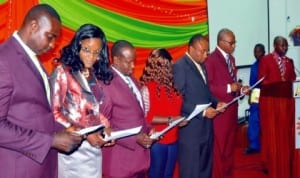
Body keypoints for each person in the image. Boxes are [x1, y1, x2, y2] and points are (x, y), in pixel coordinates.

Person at [0, 4, 82, 178]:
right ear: (34, 26)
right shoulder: (4, 60)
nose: (53, 45)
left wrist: (66, 128)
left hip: (39, 166)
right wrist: (51, 140)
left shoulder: (30, 57)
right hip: (19, 168)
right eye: (50, 37)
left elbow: (36, 112)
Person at [50, 24, 114, 178]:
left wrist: (107, 129)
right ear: (77, 46)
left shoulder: (93, 75)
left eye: (96, 52)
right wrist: (85, 134)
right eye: (86, 50)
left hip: (94, 151)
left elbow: (94, 110)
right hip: (73, 148)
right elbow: (54, 112)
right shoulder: (62, 72)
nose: (91, 57)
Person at [173, 33, 225, 178]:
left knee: (205, 170)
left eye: (207, 51)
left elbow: (206, 92)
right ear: (191, 49)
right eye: (202, 51)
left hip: (206, 129)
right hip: (191, 131)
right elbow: (179, 99)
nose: (206, 55)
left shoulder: (202, 66)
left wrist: (216, 103)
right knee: (191, 171)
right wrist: (202, 112)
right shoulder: (180, 66)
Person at [100, 40, 154, 178]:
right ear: (116, 60)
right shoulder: (107, 83)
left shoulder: (132, 80)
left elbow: (137, 114)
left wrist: (149, 129)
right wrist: (134, 138)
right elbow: (103, 125)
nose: (133, 65)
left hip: (139, 160)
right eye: (129, 62)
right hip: (120, 163)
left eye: (134, 61)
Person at [205, 28, 247, 178]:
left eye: (235, 42)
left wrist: (240, 90)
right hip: (220, 114)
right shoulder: (210, 60)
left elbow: (232, 83)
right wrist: (229, 88)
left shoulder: (232, 59)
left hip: (232, 112)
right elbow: (207, 88)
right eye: (231, 43)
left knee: (230, 150)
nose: (234, 46)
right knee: (220, 151)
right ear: (221, 42)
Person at [140, 48, 183, 178]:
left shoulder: (172, 86)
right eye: (168, 66)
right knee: (156, 175)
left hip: (173, 138)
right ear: (159, 68)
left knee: (168, 175)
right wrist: (171, 119)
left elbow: (176, 110)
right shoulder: (147, 89)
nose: (172, 68)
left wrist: (180, 119)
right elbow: (146, 118)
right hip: (157, 142)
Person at [258, 36, 296, 178]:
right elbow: (262, 80)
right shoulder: (266, 60)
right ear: (275, 45)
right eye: (282, 46)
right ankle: (271, 162)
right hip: (271, 104)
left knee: (285, 135)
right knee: (272, 135)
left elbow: (292, 80)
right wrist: (277, 84)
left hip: (286, 104)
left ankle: (286, 160)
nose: (284, 48)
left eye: (286, 46)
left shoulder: (289, 62)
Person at [244, 43, 265, 155]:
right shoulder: (253, 66)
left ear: (264, 52)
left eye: (258, 51)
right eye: (255, 51)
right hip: (256, 95)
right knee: (253, 119)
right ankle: (254, 146)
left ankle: (267, 146)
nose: (256, 53)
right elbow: (252, 84)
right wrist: (251, 97)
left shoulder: (268, 64)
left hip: (267, 96)